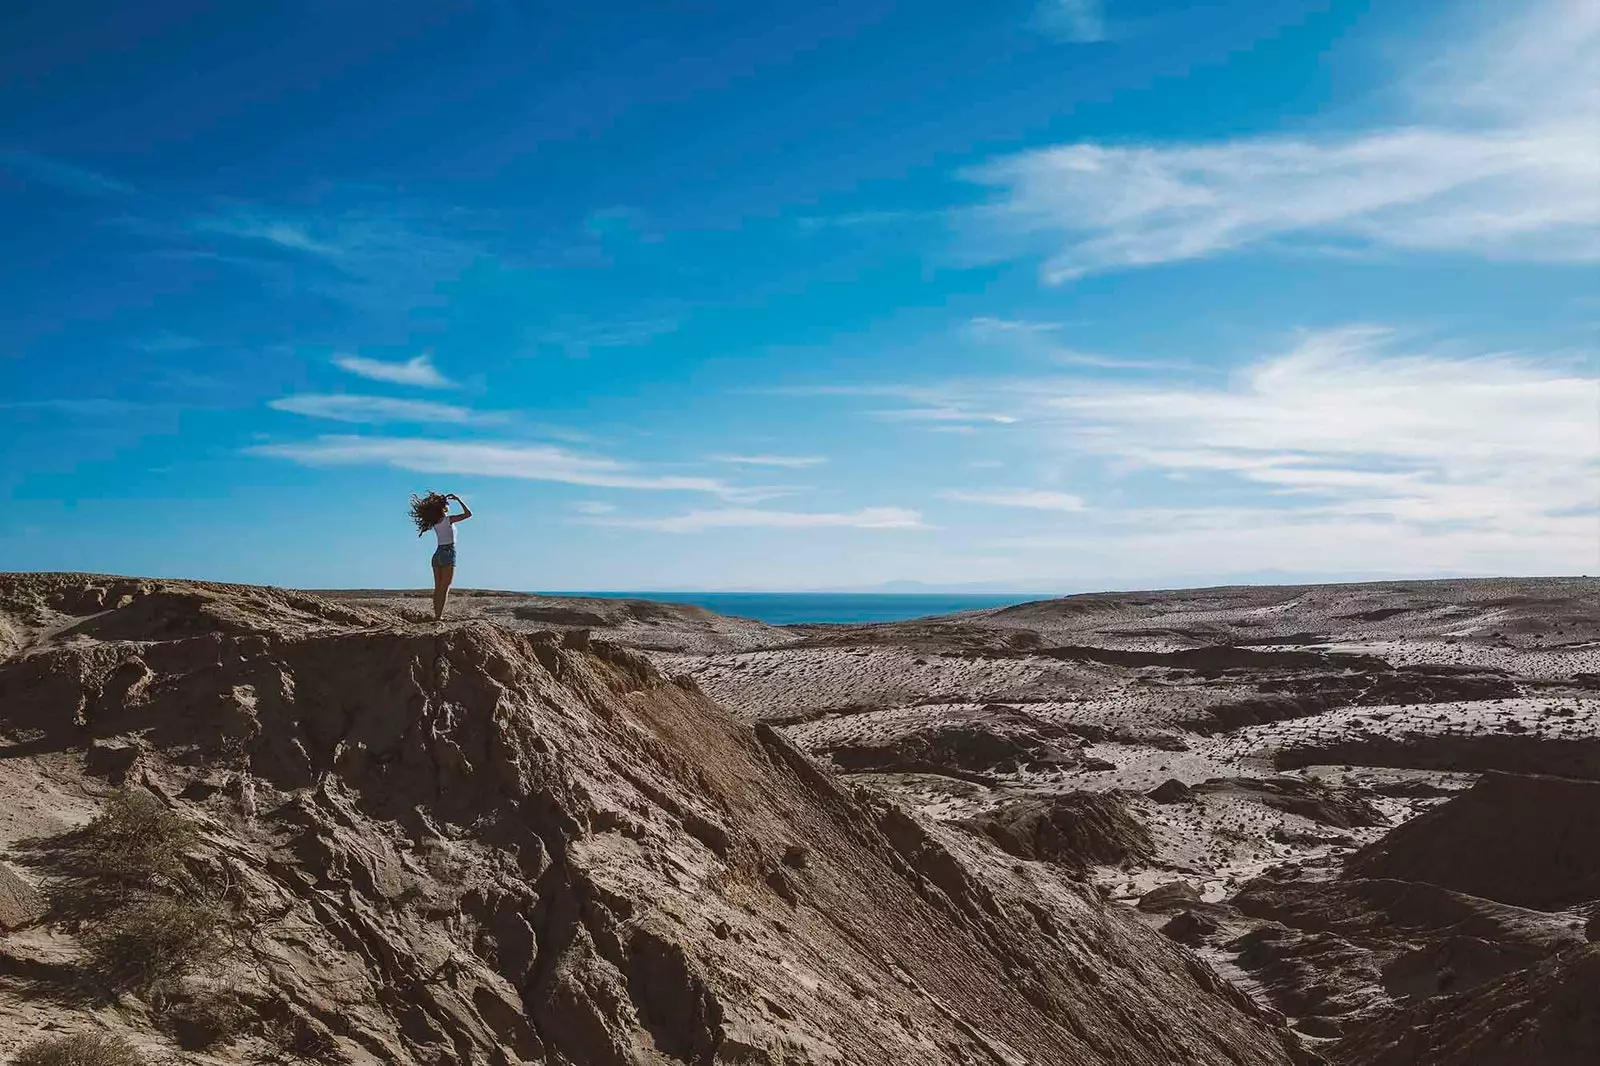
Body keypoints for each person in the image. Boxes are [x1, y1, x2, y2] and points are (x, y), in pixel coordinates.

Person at [408, 491, 473, 621]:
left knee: (438, 588)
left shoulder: (435, 522)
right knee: (445, 587)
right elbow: (468, 514)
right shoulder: (448, 520)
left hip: (437, 553)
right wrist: (459, 500)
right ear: (443, 507)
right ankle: (439, 617)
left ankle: (437, 615)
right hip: (448, 552)